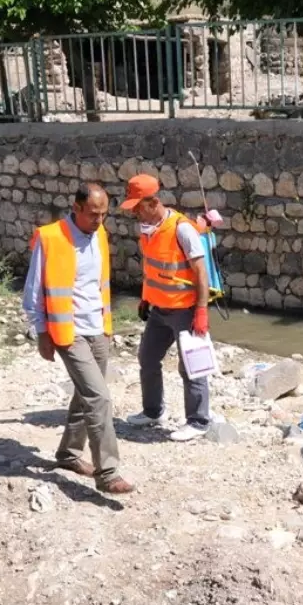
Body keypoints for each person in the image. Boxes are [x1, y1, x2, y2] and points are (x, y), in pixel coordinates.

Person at [22, 183, 134, 494]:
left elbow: (98, 284)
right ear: (76, 208)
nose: (99, 220)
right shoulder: (50, 238)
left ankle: (68, 454)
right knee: (99, 397)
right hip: (67, 332)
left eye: (104, 214)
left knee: (86, 394)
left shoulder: (99, 234)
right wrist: (41, 333)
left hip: (98, 328)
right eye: (93, 214)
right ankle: (108, 472)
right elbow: (32, 293)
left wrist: (107, 327)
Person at [119, 173, 213, 442]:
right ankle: (153, 411)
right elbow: (152, 269)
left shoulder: (182, 229)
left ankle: (198, 421)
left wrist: (201, 311)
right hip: (159, 310)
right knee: (147, 358)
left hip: (185, 310)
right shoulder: (148, 230)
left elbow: (201, 272)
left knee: (192, 366)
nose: (135, 213)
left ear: (153, 202)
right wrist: (145, 298)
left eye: (138, 207)